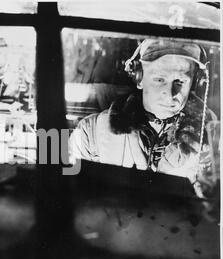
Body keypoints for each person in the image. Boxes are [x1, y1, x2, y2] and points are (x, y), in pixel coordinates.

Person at [69, 39, 217, 189]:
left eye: (180, 81)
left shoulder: (214, 141)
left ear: (195, 83)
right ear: (139, 78)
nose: (170, 94)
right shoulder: (90, 133)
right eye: (159, 79)